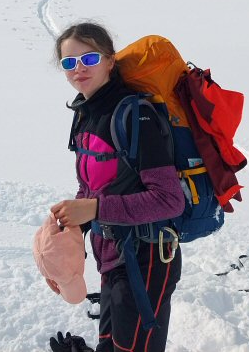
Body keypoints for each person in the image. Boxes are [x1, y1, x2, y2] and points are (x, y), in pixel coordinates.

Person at [48, 22, 185, 352]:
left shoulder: (136, 116)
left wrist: (94, 209)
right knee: (113, 342)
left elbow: (170, 200)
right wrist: (66, 235)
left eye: (89, 58)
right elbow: (92, 185)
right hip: (112, 254)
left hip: (147, 257)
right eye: (69, 62)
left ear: (110, 60)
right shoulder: (86, 113)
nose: (78, 69)